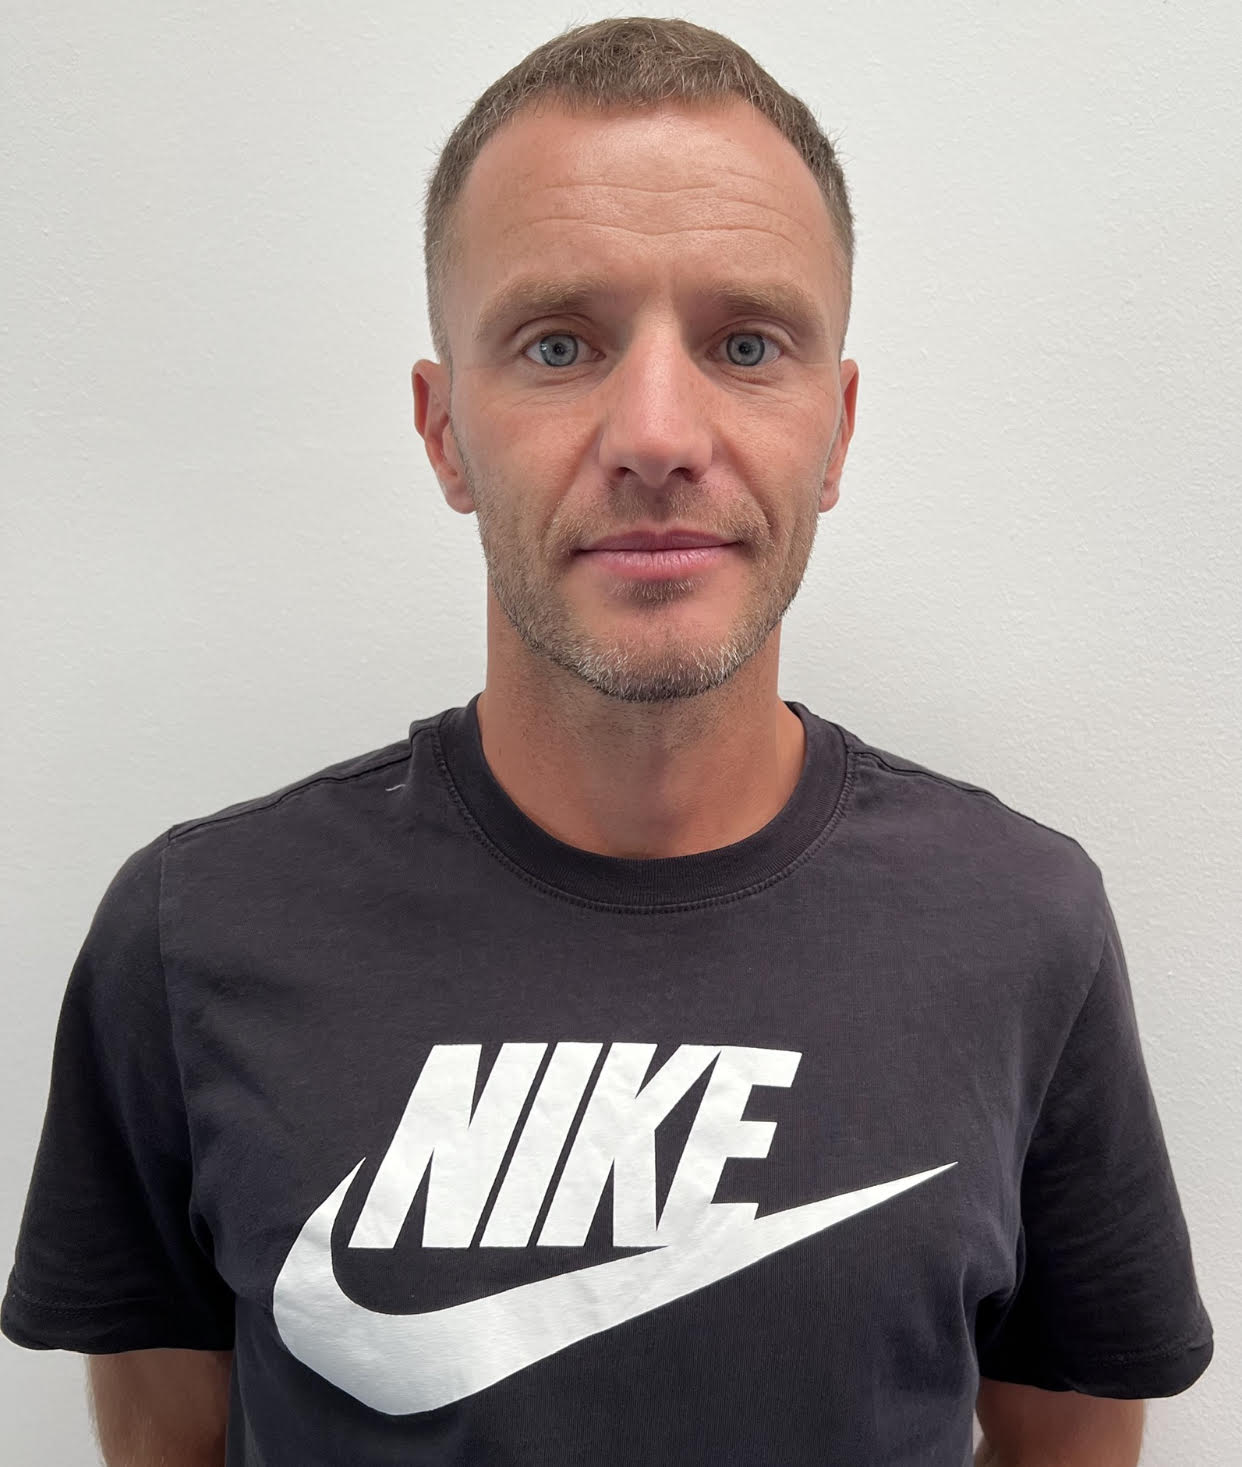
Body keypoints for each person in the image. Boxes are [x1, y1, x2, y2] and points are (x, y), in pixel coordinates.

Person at [1, 16, 1213, 1467]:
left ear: (833, 430)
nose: (655, 432)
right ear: (444, 431)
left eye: (744, 344)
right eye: (559, 343)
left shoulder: (1020, 925)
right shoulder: (193, 933)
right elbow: (164, 1432)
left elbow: (1069, 1437)